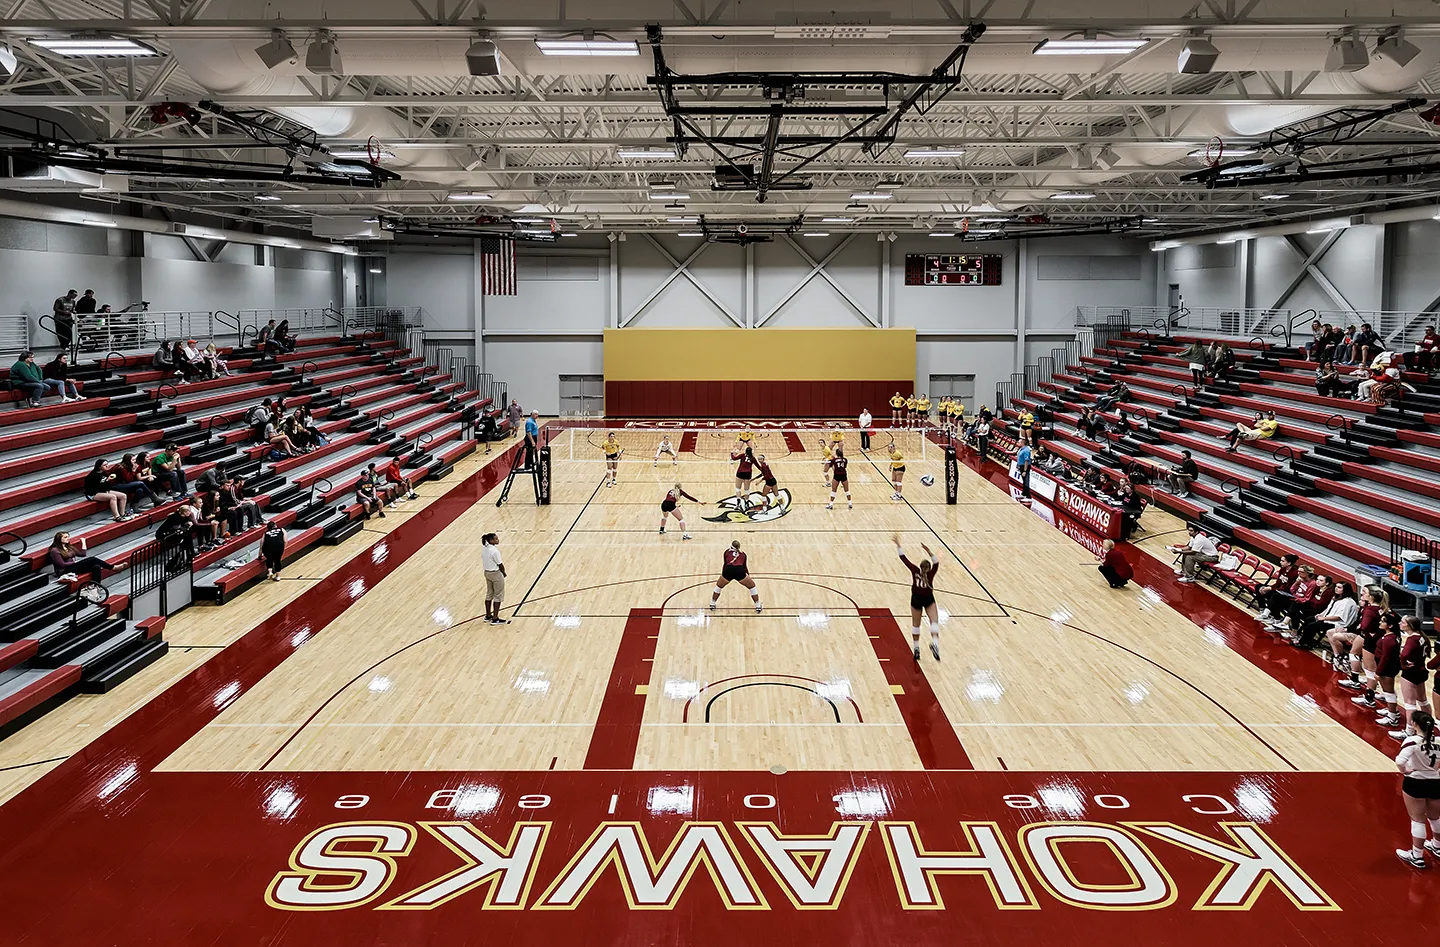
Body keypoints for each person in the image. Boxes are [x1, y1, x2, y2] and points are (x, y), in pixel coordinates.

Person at [1395, 710, 1440, 869]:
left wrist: (1406, 770)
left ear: (1414, 724)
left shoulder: (1412, 741)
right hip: (1435, 783)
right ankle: (1437, 845)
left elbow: (1400, 760)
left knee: (1417, 819)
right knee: (1435, 818)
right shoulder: (1439, 741)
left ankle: (1417, 855)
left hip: (1415, 783)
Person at [1340, 585, 1389, 697]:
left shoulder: (1370, 610)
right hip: (1374, 638)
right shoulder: (1381, 608)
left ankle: (1369, 694)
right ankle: (1359, 681)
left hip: (1370, 639)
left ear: (1371, 596)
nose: (1362, 593)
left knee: (1370, 668)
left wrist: (1362, 629)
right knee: (1360, 658)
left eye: (1364, 592)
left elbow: (1364, 626)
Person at [1289, 580, 1358, 649]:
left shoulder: (1348, 602)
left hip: (1338, 624)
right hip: (1328, 619)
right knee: (1308, 619)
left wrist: (1323, 618)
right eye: (1336, 586)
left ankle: (1304, 643)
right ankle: (1306, 639)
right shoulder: (1336, 598)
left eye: (1339, 587)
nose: (1336, 588)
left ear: (1345, 590)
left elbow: (1339, 617)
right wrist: (1321, 615)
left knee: (1311, 626)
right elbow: (1329, 609)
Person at [1395, 616, 1433, 742]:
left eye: (1403, 622)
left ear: (1410, 626)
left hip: (1410, 673)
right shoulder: (1422, 637)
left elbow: (1404, 654)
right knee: (1423, 701)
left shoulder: (1412, 639)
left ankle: (1409, 731)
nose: (1400, 623)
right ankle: (1428, 726)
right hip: (1421, 671)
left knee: (1410, 703)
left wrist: (1403, 663)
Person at [710, 540, 762, 613]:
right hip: (739, 571)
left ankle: (712, 603)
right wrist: (747, 576)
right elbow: (744, 567)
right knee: (752, 586)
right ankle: (758, 605)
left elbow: (725, 564)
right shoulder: (743, 554)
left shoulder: (726, 552)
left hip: (728, 570)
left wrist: (723, 574)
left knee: (718, 586)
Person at [1254, 554, 1301, 623]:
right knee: (1258, 586)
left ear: (1289, 563)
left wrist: (1271, 589)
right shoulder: (1282, 569)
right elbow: (1278, 583)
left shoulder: (1294, 573)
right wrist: (1268, 587)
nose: (1280, 562)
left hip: (1286, 593)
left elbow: (1288, 588)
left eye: (1282, 561)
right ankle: (1262, 609)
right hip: (1278, 590)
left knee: (1274, 595)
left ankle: (1269, 615)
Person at [481, 532, 509, 624]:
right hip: (496, 573)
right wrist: (504, 573)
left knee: (489, 594)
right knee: (498, 595)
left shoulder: (484, 549)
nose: (498, 540)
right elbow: (500, 564)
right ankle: (495, 618)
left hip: (487, 572)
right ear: (491, 540)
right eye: (496, 539)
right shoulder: (494, 551)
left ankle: (488, 615)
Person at [824, 445, 852, 511]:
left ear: (836, 453)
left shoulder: (834, 460)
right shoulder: (845, 460)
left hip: (836, 476)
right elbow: (844, 467)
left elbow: (829, 464)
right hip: (844, 475)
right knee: (847, 490)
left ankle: (831, 504)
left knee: (834, 491)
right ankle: (850, 503)